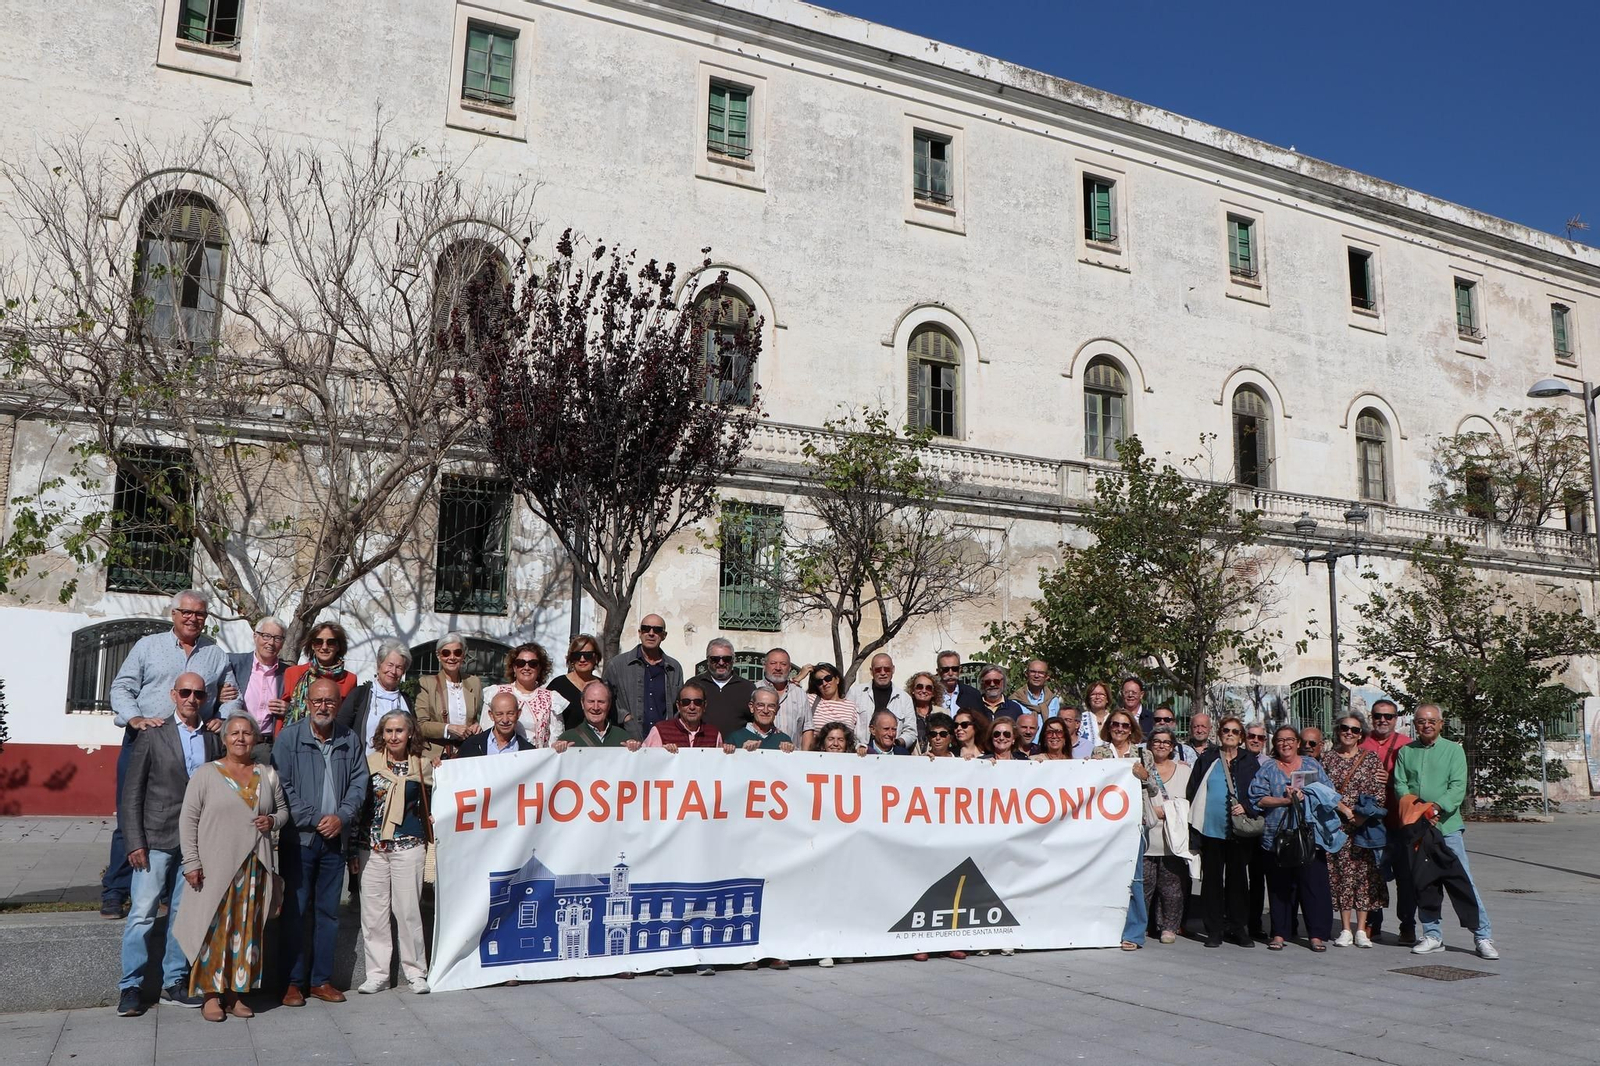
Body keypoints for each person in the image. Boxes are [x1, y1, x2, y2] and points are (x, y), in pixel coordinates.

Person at [104, 590, 241, 919]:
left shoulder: (215, 655)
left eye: (200, 614)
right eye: (187, 612)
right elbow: (121, 687)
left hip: (191, 746)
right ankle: (115, 889)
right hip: (146, 741)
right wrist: (135, 718)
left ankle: (167, 890)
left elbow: (232, 695)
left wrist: (223, 716)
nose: (193, 618)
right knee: (130, 817)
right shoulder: (147, 647)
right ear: (174, 613)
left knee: (185, 817)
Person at [116, 672, 224, 1016]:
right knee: (142, 914)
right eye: (185, 692)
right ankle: (130, 986)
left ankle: (174, 982)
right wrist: (134, 840)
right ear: (173, 694)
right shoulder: (153, 735)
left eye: (198, 694)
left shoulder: (213, 740)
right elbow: (131, 792)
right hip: (156, 837)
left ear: (205, 698)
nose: (192, 698)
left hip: (196, 843)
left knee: (183, 914)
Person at [177, 714, 289, 1022]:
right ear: (225, 739)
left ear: (255, 738)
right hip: (215, 867)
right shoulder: (206, 774)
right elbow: (188, 820)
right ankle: (211, 996)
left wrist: (273, 821)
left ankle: (236, 995)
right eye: (234, 733)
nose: (241, 738)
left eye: (247, 733)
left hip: (254, 868)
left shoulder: (267, 774)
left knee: (247, 932)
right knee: (214, 931)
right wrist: (191, 861)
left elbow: (282, 812)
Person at [273, 677, 368, 1005]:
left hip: (334, 841)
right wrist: (316, 818)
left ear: (339, 703)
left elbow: (360, 782)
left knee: (328, 913)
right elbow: (282, 788)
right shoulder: (289, 739)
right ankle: (293, 983)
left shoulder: (349, 739)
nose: (323, 707)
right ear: (308, 702)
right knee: (296, 911)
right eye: (317, 701)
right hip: (300, 840)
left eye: (329, 701)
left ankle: (320, 980)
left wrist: (341, 816)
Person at [1394, 703, 1497, 960]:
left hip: (1447, 827)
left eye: (1431, 721)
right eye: (1420, 721)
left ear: (1441, 723)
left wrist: (1437, 808)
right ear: (1414, 724)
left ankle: (1482, 935)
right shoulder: (1406, 752)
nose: (1426, 725)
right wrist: (1417, 810)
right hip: (1418, 828)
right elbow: (1400, 784)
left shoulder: (1453, 751)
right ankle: (1432, 934)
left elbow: (1457, 786)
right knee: (1424, 881)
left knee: (1462, 881)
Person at [351, 712, 433, 995]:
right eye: (388, 731)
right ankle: (377, 974)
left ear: (410, 733)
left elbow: (437, 802)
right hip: (371, 848)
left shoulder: (424, 767)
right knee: (373, 914)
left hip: (409, 847)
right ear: (381, 734)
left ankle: (416, 972)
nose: (394, 736)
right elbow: (357, 804)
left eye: (399, 730)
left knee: (408, 911)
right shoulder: (368, 764)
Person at [1250, 725, 1345, 951]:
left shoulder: (1311, 765)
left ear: (1297, 742)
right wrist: (1285, 800)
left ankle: (1316, 935)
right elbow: (1257, 798)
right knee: (1279, 886)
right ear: (1275, 744)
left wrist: (1309, 794)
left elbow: (1328, 791)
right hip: (1278, 835)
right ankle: (1280, 932)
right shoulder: (1268, 768)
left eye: (1290, 739)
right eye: (1280, 740)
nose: (1285, 744)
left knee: (1313, 885)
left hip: (1310, 832)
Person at [1186, 716, 1259, 948]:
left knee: (1238, 882)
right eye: (1226, 730)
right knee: (1212, 883)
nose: (1230, 734)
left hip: (1239, 832)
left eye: (1235, 732)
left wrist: (1246, 806)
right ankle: (1214, 930)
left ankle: (1238, 928)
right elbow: (1193, 790)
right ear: (1219, 734)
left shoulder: (1250, 761)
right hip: (1211, 830)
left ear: (1241, 737)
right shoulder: (1208, 759)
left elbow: (1259, 791)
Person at [1324, 712, 1387, 948]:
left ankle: (1362, 929)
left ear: (1361, 734)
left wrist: (1361, 816)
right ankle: (1345, 928)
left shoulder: (1370, 759)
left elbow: (1378, 792)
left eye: (1355, 729)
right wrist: (1344, 810)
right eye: (1345, 728)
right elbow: (1322, 790)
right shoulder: (1328, 759)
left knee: (1364, 876)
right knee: (1341, 875)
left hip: (1364, 827)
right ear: (1338, 730)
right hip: (1337, 826)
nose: (1349, 733)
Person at [1093, 709, 1152, 950]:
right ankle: (1105, 928)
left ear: (1132, 730)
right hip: (1105, 823)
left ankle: (1135, 932)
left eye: (1125, 726)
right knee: (1105, 874)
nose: (1119, 729)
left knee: (1134, 876)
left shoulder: (1142, 753)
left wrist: (1143, 776)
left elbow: (1155, 788)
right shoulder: (1099, 752)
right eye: (1115, 724)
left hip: (1133, 823)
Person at [1361, 698, 1415, 944]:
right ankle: (1373, 923)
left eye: (1388, 716)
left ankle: (1407, 925)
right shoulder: (1362, 743)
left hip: (1401, 821)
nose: (1382, 720)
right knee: (1373, 875)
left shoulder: (1408, 746)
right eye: (1378, 715)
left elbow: (1416, 783)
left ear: (1397, 719)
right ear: (1372, 717)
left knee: (1406, 877)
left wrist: (1391, 780)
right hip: (1373, 824)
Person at [1141, 726, 1193, 944]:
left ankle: (1169, 927)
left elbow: (1190, 802)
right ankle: (1142, 925)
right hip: (1146, 837)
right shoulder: (1140, 769)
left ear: (1173, 747)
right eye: (1157, 741)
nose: (1161, 745)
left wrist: (1166, 811)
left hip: (1172, 838)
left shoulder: (1184, 770)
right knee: (1144, 885)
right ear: (1150, 745)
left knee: (1172, 887)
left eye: (1166, 742)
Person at [609, 614, 682, 741]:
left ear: (664, 636)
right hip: (628, 739)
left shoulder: (674, 668)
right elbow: (605, 699)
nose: (651, 633)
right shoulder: (618, 664)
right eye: (646, 628)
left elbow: (679, 705)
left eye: (657, 630)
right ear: (639, 633)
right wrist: (624, 717)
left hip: (664, 742)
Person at [226, 616, 289, 764]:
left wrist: (289, 709)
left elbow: (300, 709)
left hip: (265, 747)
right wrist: (219, 694)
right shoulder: (233, 663)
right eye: (266, 636)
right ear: (255, 636)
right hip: (233, 742)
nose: (271, 643)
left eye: (277, 638)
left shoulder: (288, 673)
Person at [414, 632, 483, 763]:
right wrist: (448, 728)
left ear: (463, 655)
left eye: (457, 652)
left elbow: (479, 717)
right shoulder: (426, 683)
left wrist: (476, 726)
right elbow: (420, 725)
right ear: (438, 656)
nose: (452, 657)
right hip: (436, 756)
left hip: (467, 753)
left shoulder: (474, 682)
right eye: (446, 653)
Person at [482, 642, 567, 748]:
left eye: (533, 664)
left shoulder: (551, 698)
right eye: (521, 663)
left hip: (538, 760)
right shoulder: (496, 693)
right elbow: (485, 733)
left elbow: (556, 738)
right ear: (514, 667)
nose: (526, 667)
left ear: (539, 668)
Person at [336, 640, 413, 755]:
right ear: (379, 665)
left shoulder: (405, 700)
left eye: (399, 667)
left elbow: (415, 738)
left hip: (399, 769)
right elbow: (340, 730)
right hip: (364, 767)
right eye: (390, 665)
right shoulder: (359, 695)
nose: (393, 671)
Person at [282, 620, 360, 724]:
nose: (324, 647)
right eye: (318, 642)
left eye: (331, 642)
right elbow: (284, 712)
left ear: (338, 646)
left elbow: (347, 717)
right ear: (312, 646)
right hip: (295, 736)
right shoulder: (293, 673)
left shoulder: (350, 679)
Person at [1241, 722, 1273, 936]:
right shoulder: (1237, 759)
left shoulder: (1269, 764)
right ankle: (1235, 919)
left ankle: (1255, 922)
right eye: (1251, 736)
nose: (1255, 740)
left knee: (1258, 877)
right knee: (1236, 876)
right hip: (1239, 824)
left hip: (1262, 826)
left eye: (1260, 738)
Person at [547, 634, 616, 731]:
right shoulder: (557, 686)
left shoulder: (604, 687)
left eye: (587, 655)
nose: (582, 659)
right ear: (571, 659)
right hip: (566, 743)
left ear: (596, 657)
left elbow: (613, 721)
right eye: (576, 655)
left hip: (598, 744)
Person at [689, 638, 757, 737]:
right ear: (707, 660)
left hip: (737, 749)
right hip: (702, 748)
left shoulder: (748, 687)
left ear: (733, 660)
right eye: (715, 659)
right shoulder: (694, 684)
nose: (721, 663)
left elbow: (757, 720)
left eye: (726, 659)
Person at [848, 653, 918, 749]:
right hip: (860, 755)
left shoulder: (904, 699)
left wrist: (897, 743)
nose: (883, 673)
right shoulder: (855, 693)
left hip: (891, 756)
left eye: (887, 669)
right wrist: (857, 746)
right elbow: (847, 726)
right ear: (871, 671)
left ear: (893, 669)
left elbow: (911, 731)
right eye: (878, 669)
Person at [554, 682, 643, 750]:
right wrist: (556, 750)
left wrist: (635, 750)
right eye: (591, 702)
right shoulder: (568, 738)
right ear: (582, 703)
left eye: (601, 702)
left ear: (609, 704)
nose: (596, 707)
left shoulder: (623, 737)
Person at [754, 647, 811, 748]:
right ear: (764, 666)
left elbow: (807, 728)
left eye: (783, 664)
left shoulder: (800, 694)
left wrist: (805, 756)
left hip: (792, 757)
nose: (778, 668)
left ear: (789, 668)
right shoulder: (753, 690)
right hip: (759, 754)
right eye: (773, 663)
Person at [643, 684, 723, 750]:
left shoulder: (714, 734)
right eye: (686, 702)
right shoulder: (660, 730)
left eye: (697, 702)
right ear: (678, 706)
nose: (692, 707)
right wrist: (661, 753)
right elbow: (645, 759)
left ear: (704, 706)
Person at [458, 692, 536, 757]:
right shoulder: (471, 745)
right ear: (491, 715)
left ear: (518, 714)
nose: (505, 720)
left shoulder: (529, 752)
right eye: (499, 714)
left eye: (510, 714)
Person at [724, 688, 796, 752]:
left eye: (771, 706)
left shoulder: (784, 739)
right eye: (760, 705)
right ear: (752, 707)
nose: (765, 711)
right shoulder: (735, 738)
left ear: (777, 710)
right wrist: (741, 752)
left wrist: (789, 752)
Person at [1011, 660, 1060, 743]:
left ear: (1047, 676)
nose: (1036, 676)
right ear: (1027, 674)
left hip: (1047, 749)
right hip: (1021, 750)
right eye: (1033, 672)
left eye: (1041, 673)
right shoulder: (1015, 700)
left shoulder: (1053, 701)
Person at [805, 664, 859, 736]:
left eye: (828, 678)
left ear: (837, 679)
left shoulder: (851, 706)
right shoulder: (811, 700)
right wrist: (800, 676)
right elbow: (789, 695)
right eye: (819, 682)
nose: (824, 683)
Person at [905, 671, 940, 749]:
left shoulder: (944, 713)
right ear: (912, 690)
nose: (924, 691)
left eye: (928, 688)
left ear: (933, 693)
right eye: (919, 687)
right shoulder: (904, 712)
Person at [1077, 681, 1112, 757]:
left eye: (1101, 694)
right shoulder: (1080, 719)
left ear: (1107, 699)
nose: (1097, 697)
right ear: (1089, 699)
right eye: (1093, 694)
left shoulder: (1114, 719)